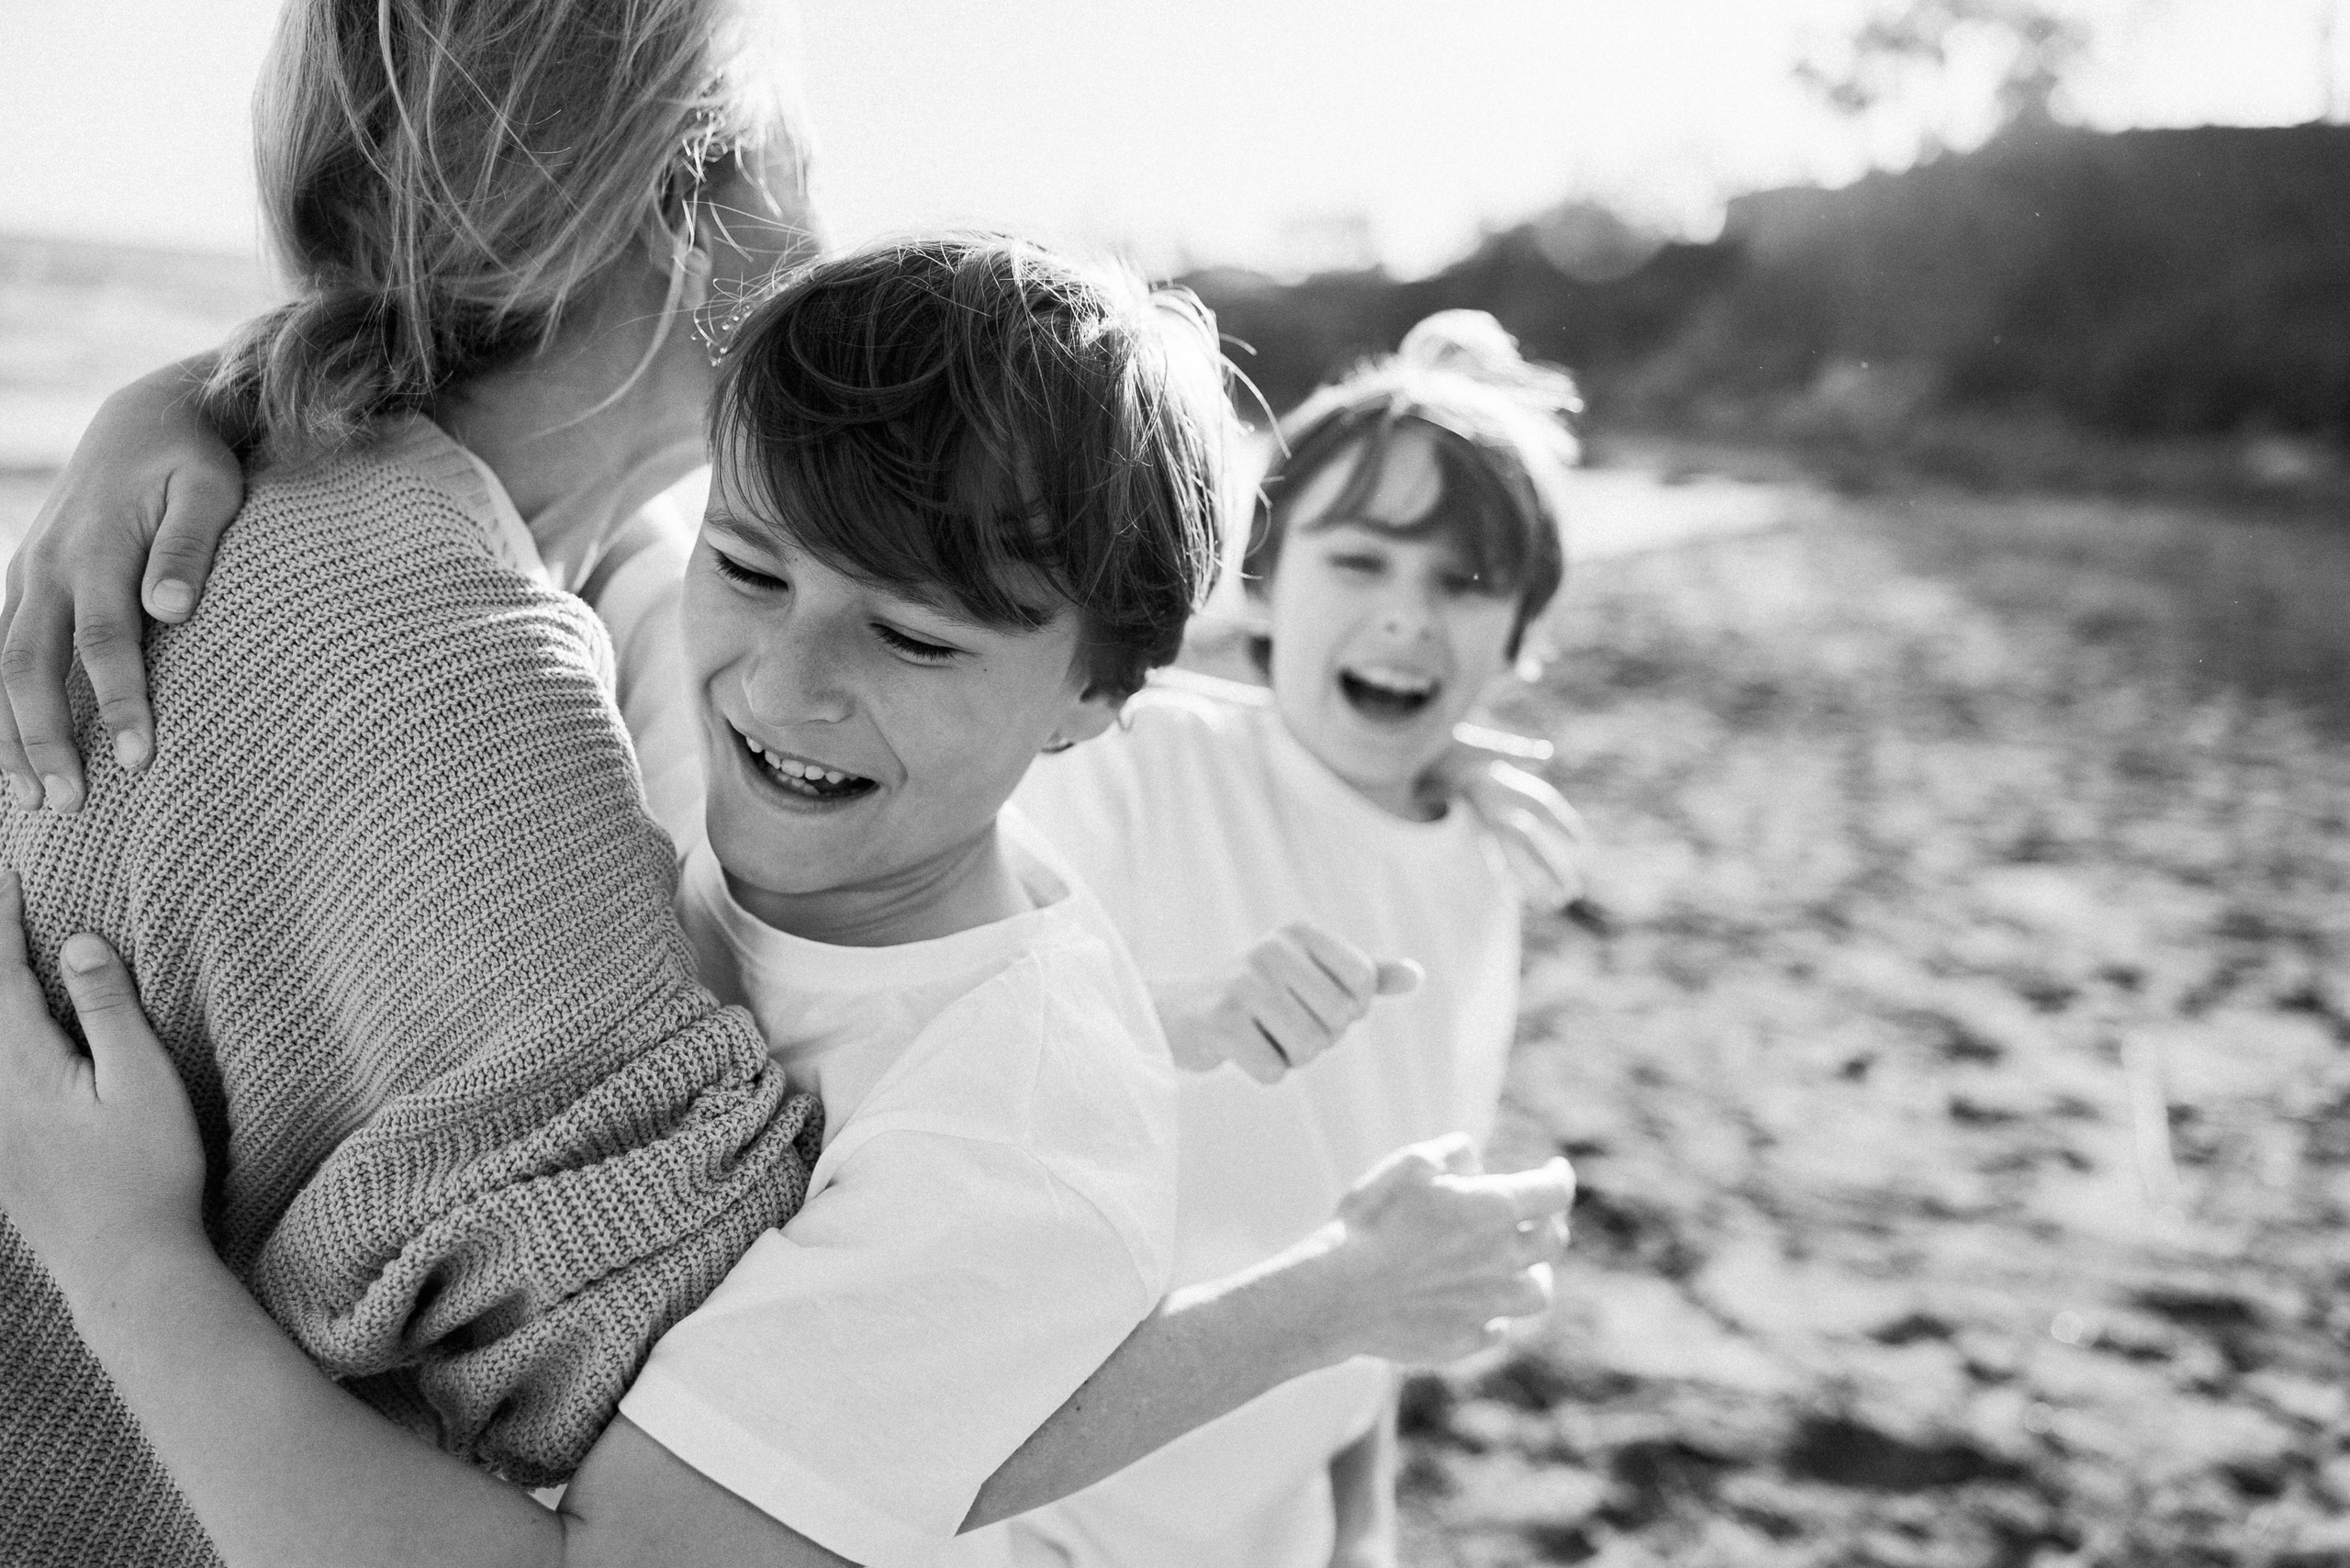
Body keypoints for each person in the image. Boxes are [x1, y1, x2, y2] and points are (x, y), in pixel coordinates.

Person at [0, 247, 1579, 1567]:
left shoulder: (1008, 1154)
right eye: (750, 569)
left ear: (1095, 697)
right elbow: (503, 433)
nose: (783, 680)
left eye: (915, 639)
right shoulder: (701, 746)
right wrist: (163, 416)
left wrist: (113, 1240)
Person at [0, 3, 834, 1562]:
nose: (826, 223)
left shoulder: (332, 495)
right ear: (676, 202)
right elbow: (724, 1496)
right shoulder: (446, 673)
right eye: (799, 159)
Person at [994, 311, 1585, 1567]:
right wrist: (1184, 1013)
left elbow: (1381, 1215)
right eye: (1362, 563)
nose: (1408, 619)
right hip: (1049, 1517)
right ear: (1261, 579)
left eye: (1464, 582)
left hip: (1273, 1527)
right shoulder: (1133, 757)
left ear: (1525, 633)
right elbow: (949, 1052)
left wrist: (1361, 1523)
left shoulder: (1482, 864)